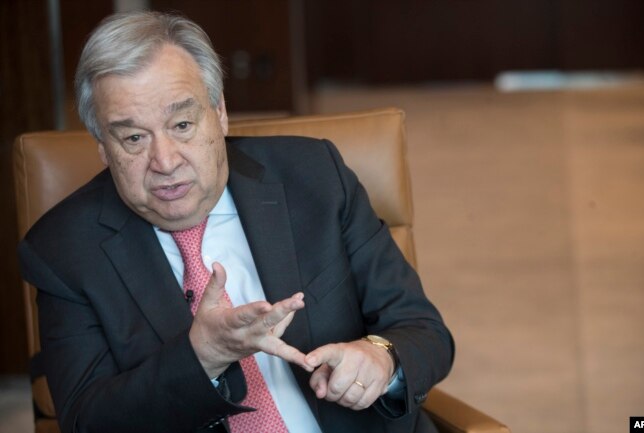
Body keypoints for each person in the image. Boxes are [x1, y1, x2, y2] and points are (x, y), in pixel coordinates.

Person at [18, 10, 454, 433]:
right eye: (133, 138)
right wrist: (200, 357)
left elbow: (424, 330)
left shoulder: (315, 177)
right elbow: (88, 420)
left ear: (220, 112)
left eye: (183, 124)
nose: (165, 161)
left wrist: (381, 357)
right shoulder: (64, 250)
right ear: (102, 146)